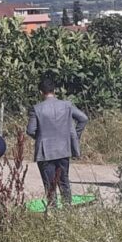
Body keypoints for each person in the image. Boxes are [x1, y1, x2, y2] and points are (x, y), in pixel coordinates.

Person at [27, 77, 88, 207]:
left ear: (40, 92)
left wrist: (41, 138)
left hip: (45, 152)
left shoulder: (36, 109)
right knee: (64, 180)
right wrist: (74, 136)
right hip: (63, 148)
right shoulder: (67, 105)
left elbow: (31, 130)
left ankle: (52, 210)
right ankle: (67, 209)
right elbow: (83, 118)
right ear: (55, 90)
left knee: (50, 184)